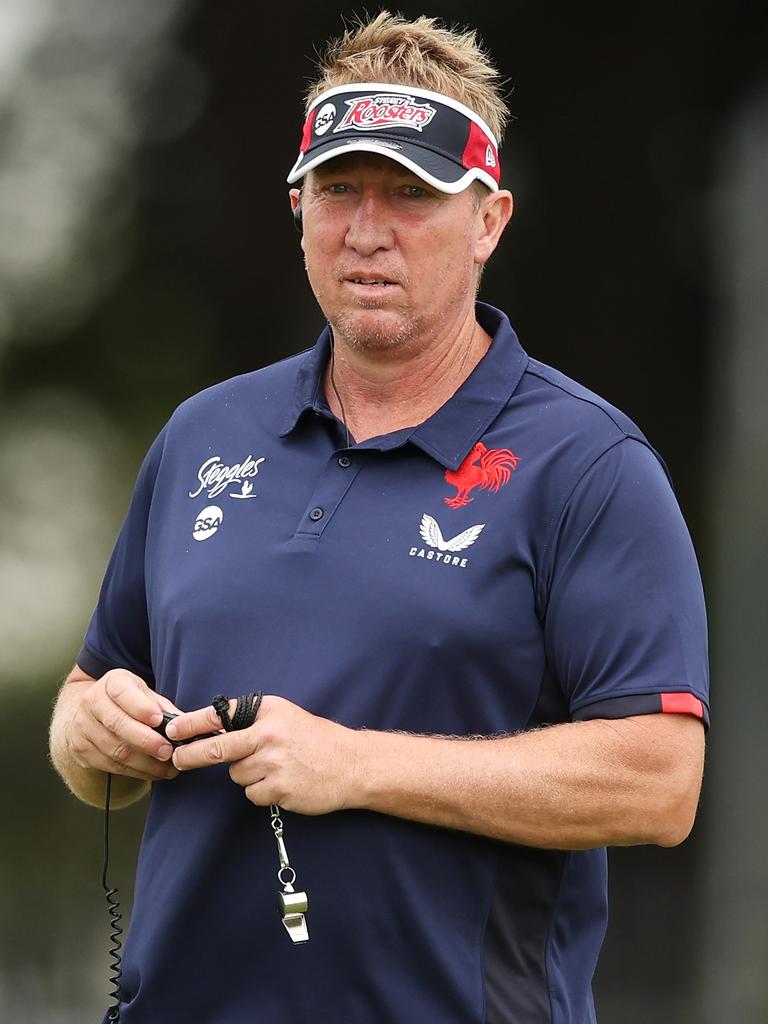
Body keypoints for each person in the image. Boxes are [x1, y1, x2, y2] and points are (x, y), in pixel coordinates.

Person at [49, 11, 709, 1024]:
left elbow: (660, 784)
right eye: (340, 190)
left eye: (412, 194)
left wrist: (356, 764)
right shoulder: (202, 436)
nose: (367, 228)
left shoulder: (590, 466)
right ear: (297, 206)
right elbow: (91, 714)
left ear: (489, 220)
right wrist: (92, 731)